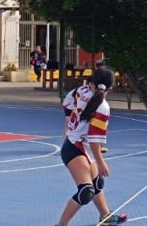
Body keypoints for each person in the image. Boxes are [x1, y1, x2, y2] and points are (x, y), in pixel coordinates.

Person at [54, 66, 127, 226]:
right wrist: (101, 162)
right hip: (74, 148)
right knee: (86, 192)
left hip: (81, 147)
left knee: (97, 184)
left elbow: (68, 100)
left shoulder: (82, 90)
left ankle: (105, 217)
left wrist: (69, 117)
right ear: (111, 87)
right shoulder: (103, 107)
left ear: (92, 82)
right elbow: (94, 141)